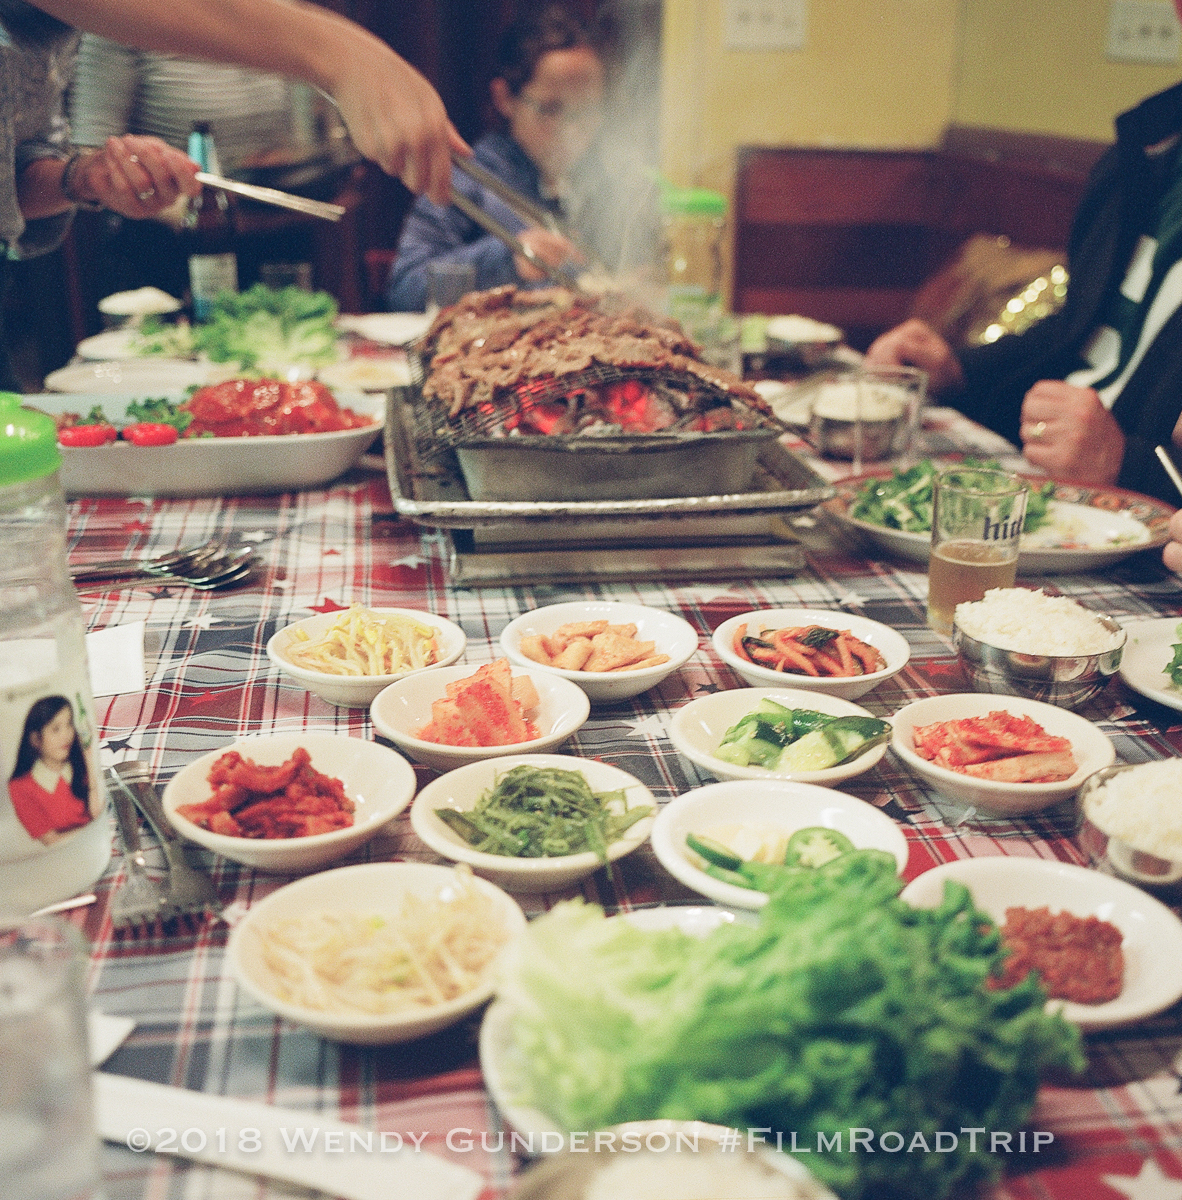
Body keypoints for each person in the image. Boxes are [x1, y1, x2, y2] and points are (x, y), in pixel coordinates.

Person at [865, 1, 1182, 516]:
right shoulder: (1147, 148)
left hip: (1143, 527)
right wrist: (958, 369)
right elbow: (1076, 331)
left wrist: (1126, 465)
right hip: (1041, 485)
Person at [386, 2, 656, 311]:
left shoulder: (605, 185)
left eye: (587, 110)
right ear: (505, 98)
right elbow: (404, 287)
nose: (572, 129)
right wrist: (508, 259)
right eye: (551, 109)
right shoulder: (467, 180)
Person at [7, 695, 101, 846]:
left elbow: (98, 813)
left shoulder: (81, 764)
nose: (66, 735)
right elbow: (51, 841)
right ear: (35, 739)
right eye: (56, 729)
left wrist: (89, 760)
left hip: (98, 845)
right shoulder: (20, 787)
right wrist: (94, 829)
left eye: (69, 724)